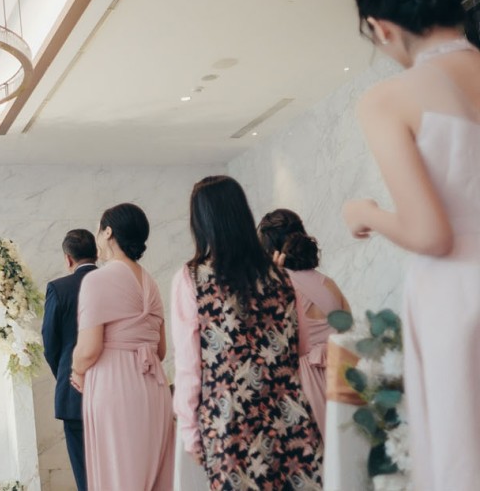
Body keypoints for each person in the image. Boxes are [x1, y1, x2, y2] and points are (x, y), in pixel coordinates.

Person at [342, 0, 480, 489]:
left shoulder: (389, 99)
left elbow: (431, 234)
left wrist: (368, 212)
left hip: (460, 299)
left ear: (382, 28)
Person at [173, 176, 321, 490]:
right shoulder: (281, 276)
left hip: (230, 424)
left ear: (201, 222)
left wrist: (189, 432)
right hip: (289, 419)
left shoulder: (193, 278)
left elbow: (189, 365)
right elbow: (302, 345)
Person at [71, 203, 173, 491]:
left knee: (119, 477)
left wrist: (77, 370)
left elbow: (89, 349)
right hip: (155, 388)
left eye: (98, 229)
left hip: (115, 387)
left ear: (108, 232)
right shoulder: (151, 282)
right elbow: (160, 350)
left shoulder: (97, 279)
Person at [257, 209, 350, 436]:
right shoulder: (329, 283)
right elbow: (349, 331)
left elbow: (268, 344)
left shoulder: (278, 289)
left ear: (269, 249)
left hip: (305, 385)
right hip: (343, 376)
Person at [40, 229, 98, 491]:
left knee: (85, 474)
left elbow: (50, 343)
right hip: (113, 388)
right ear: (97, 253)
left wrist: (65, 373)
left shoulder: (59, 288)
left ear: (68, 259)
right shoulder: (113, 284)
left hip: (74, 394)